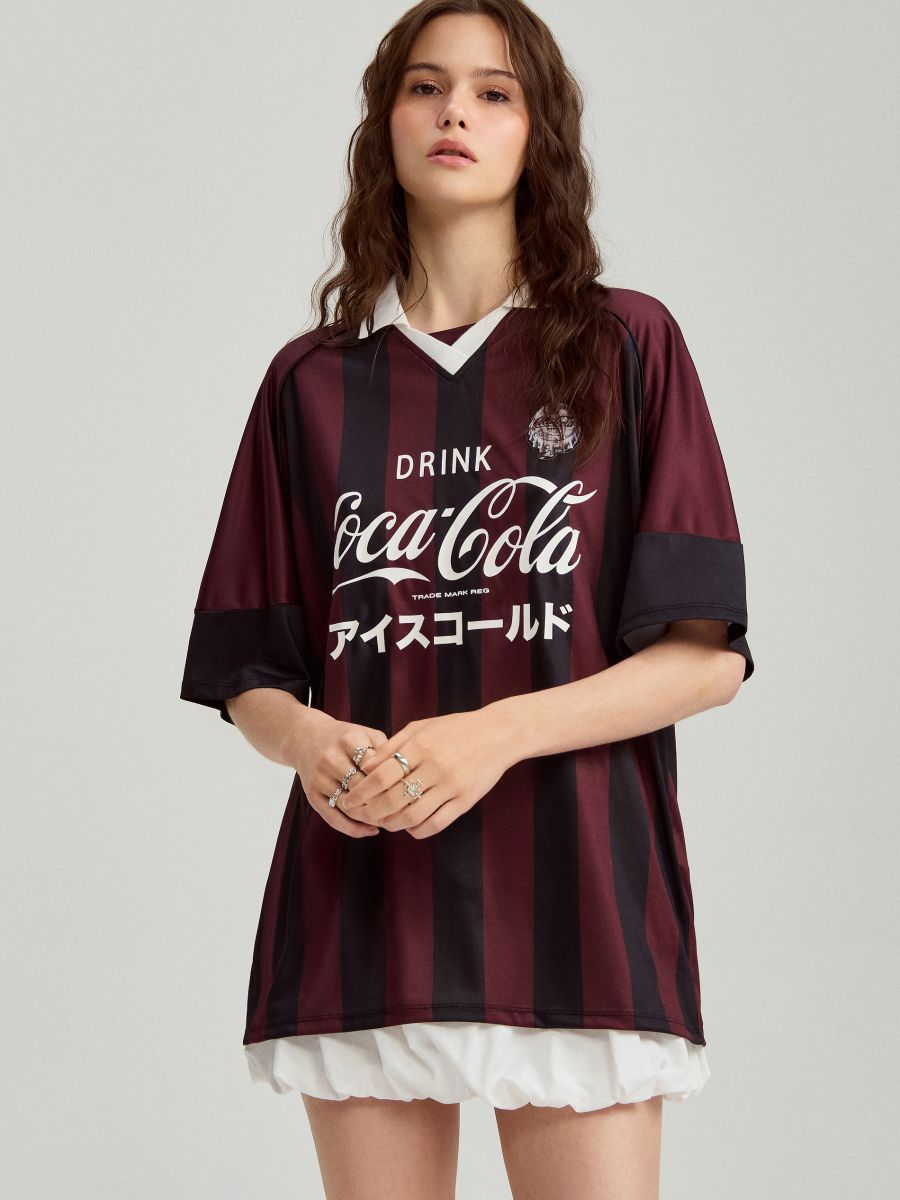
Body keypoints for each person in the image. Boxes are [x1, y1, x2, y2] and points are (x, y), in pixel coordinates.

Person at [179, 1, 754, 1196]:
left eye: (496, 92)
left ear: (540, 133)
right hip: (361, 898)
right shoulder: (309, 384)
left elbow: (705, 656)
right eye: (426, 86)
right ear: (384, 124)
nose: (456, 112)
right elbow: (247, 670)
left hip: (580, 901)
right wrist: (313, 742)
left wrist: (491, 736)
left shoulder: (627, 346)